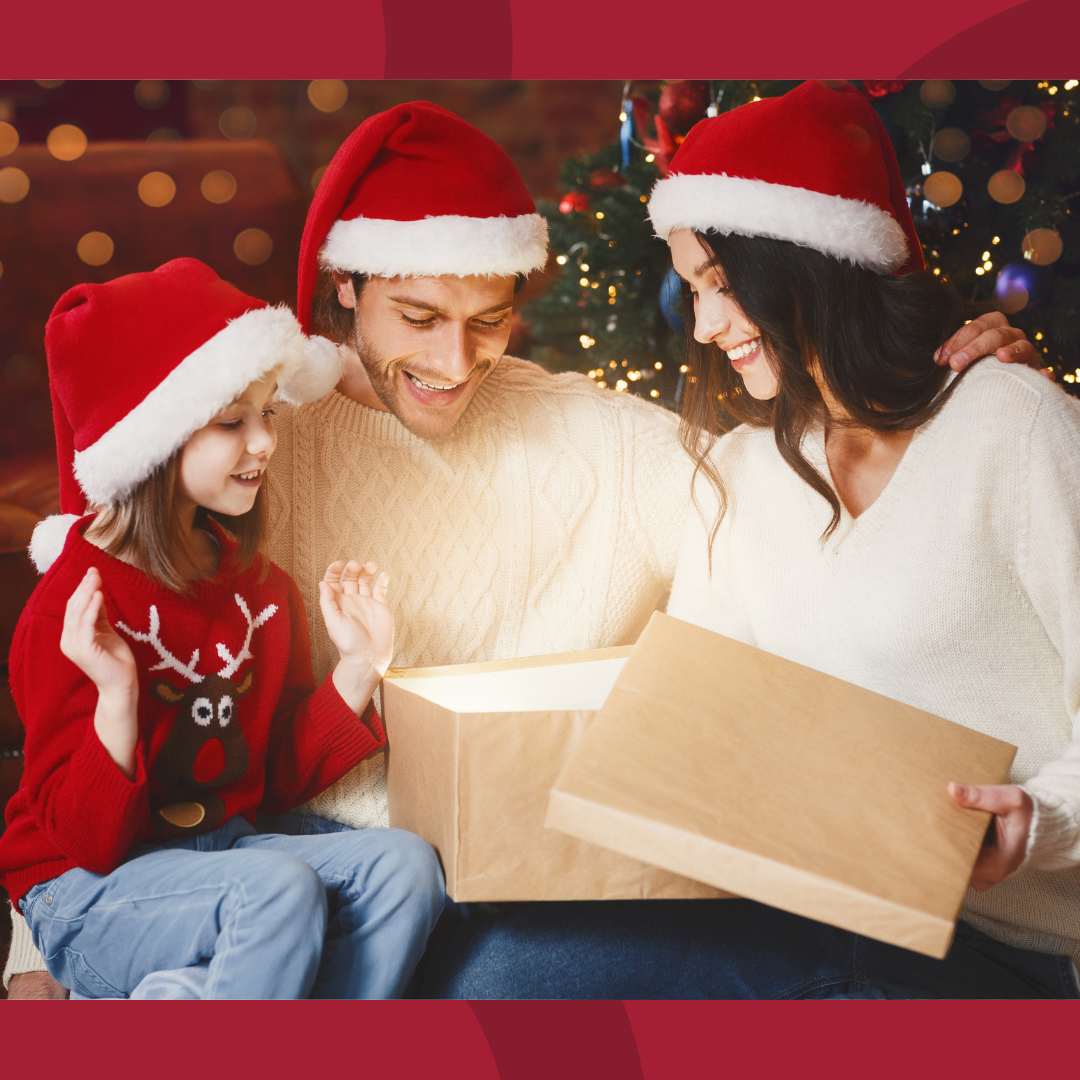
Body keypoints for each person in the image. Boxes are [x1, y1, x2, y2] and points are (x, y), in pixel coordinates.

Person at [5, 102, 1040, 998]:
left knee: (500, 972)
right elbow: (115, 664)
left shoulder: (600, 444)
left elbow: (781, 488)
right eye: (419, 316)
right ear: (347, 285)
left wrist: (939, 396)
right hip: (285, 885)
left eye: (488, 321)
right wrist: (51, 943)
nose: (455, 363)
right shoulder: (254, 447)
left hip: (502, 895)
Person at [648, 80, 1079, 997]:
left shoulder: (1011, 425)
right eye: (693, 290)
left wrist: (1040, 817)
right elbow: (693, 721)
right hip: (831, 912)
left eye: (722, 285)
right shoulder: (737, 471)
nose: (706, 325)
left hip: (1024, 942)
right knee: (517, 966)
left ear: (808, 263)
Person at [0, 259, 444, 999]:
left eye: (268, 413)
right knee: (274, 888)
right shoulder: (73, 606)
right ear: (155, 444)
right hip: (84, 893)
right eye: (233, 422)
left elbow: (267, 777)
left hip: (226, 858)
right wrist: (115, 697)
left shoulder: (260, 592)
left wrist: (358, 670)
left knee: (403, 867)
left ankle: (207, 1019)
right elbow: (82, 841)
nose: (265, 441)